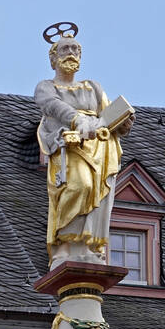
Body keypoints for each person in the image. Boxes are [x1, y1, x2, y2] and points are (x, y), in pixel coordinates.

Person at [35, 28, 133, 267]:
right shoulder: (46, 87)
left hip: (100, 147)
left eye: (76, 49)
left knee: (97, 195)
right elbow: (53, 107)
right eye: (66, 49)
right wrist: (78, 121)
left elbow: (108, 115)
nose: (72, 53)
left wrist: (123, 124)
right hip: (70, 145)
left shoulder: (93, 87)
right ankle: (65, 244)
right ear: (53, 58)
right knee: (79, 186)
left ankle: (87, 246)